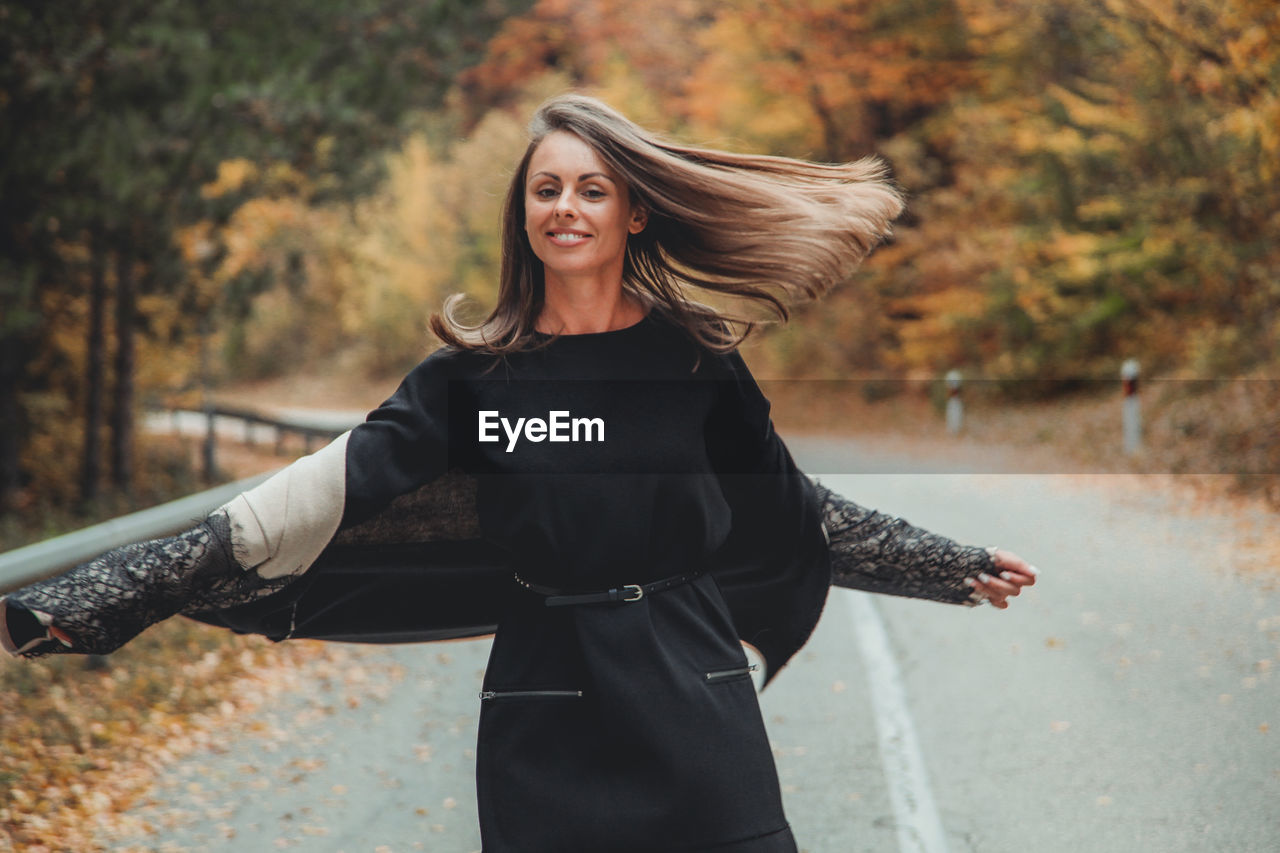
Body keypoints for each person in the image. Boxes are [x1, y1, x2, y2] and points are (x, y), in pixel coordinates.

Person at [0, 94, 1036, 852]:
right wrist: (105, 593)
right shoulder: (470, 380)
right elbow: (311, 501)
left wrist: (943, 564)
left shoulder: (693, 365)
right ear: (524, 216)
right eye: (547, 189)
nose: (566, 207)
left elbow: (790, 512)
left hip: (690, 682)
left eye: (592, 188)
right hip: (546, 695)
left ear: (633, 214)